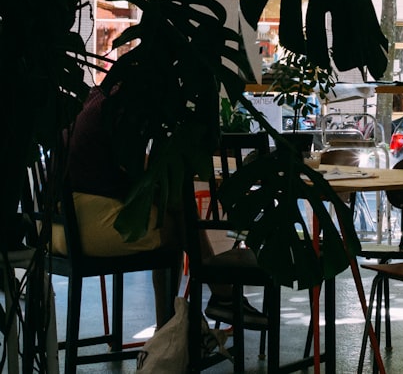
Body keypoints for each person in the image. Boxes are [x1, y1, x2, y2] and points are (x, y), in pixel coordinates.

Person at [59, 85, 266, 327]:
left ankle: (175, 322)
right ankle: (214, 298)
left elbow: (122, 167)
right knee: (174, 221)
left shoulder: (95, 99)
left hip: (68, 216)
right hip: (89, 221)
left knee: (171, 209)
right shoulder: (123, 108)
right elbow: (132, 168)